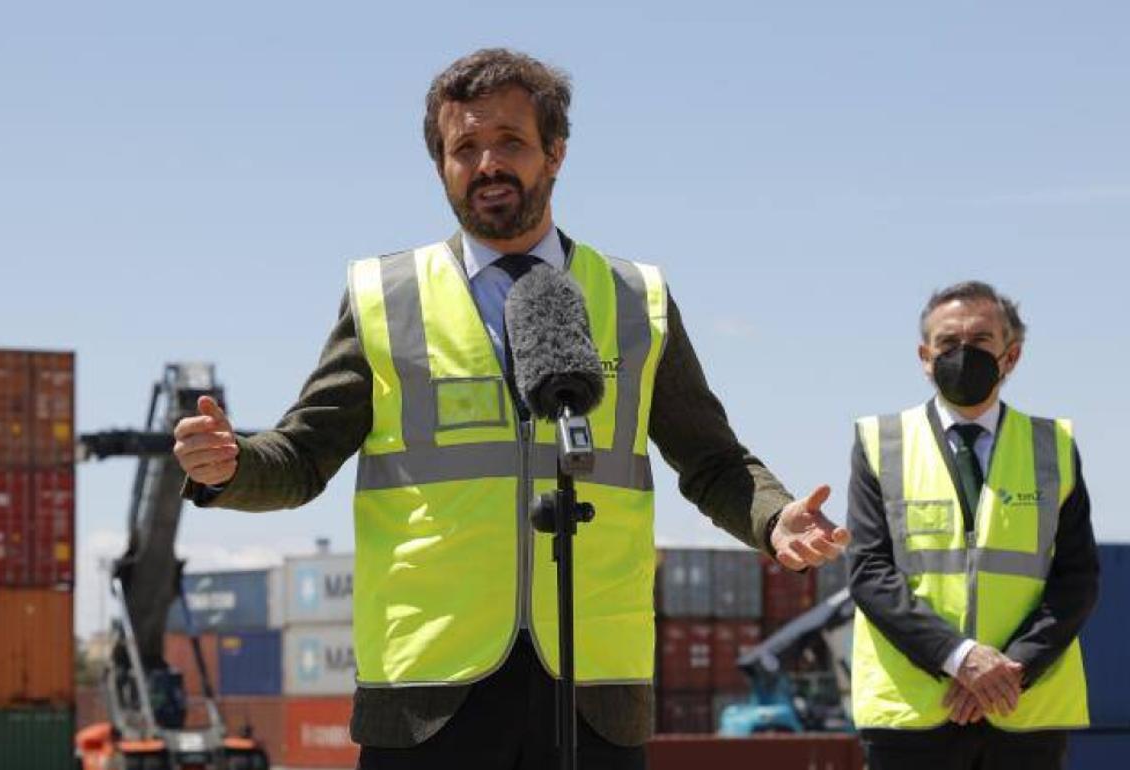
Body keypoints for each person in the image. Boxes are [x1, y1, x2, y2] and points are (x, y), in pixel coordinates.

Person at [174, 48, 848, 769]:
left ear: (554, 154)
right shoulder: (386, 298)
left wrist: (776, 516)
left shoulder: (632, 299)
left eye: (511, 142)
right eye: (465, 147)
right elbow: (303, 456)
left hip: (594, 685)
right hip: (429, 691)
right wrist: (232, 464)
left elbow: (711, 459)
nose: (488, 163)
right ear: (441, 165)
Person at [847, 281, 1099, 770]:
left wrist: (1008, 671)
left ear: (1011, 356)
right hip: (914, 713)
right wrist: (961, 659)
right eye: (947, 343)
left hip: (1023, 707)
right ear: (924, 357)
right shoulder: (881, 443)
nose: (962, 354)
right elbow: (869, 573)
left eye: (981, 341)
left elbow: (1077, 578)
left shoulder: (1053, 448)